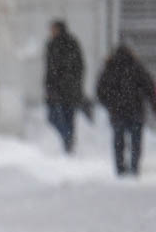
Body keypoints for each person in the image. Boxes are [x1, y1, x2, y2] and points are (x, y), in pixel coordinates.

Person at [95, 43, 155, 177]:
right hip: (136, 110)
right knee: (136, 141)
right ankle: (134, 166)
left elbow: (100, 90)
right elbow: (149, 87)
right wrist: (152, 105)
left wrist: (109, 104)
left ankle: (120, 168)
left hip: (117, 111)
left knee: (118, 141)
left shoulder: (109, 68)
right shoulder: (137, 67)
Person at [44, 20, 85, 153]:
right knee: (60, 117)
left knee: (63, 116)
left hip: (63, 89)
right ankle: (67, 139)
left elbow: (55, 69)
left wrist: (59, 83)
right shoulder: (57, 44)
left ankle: (68, 140)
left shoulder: (63, 45)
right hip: (63, 89)